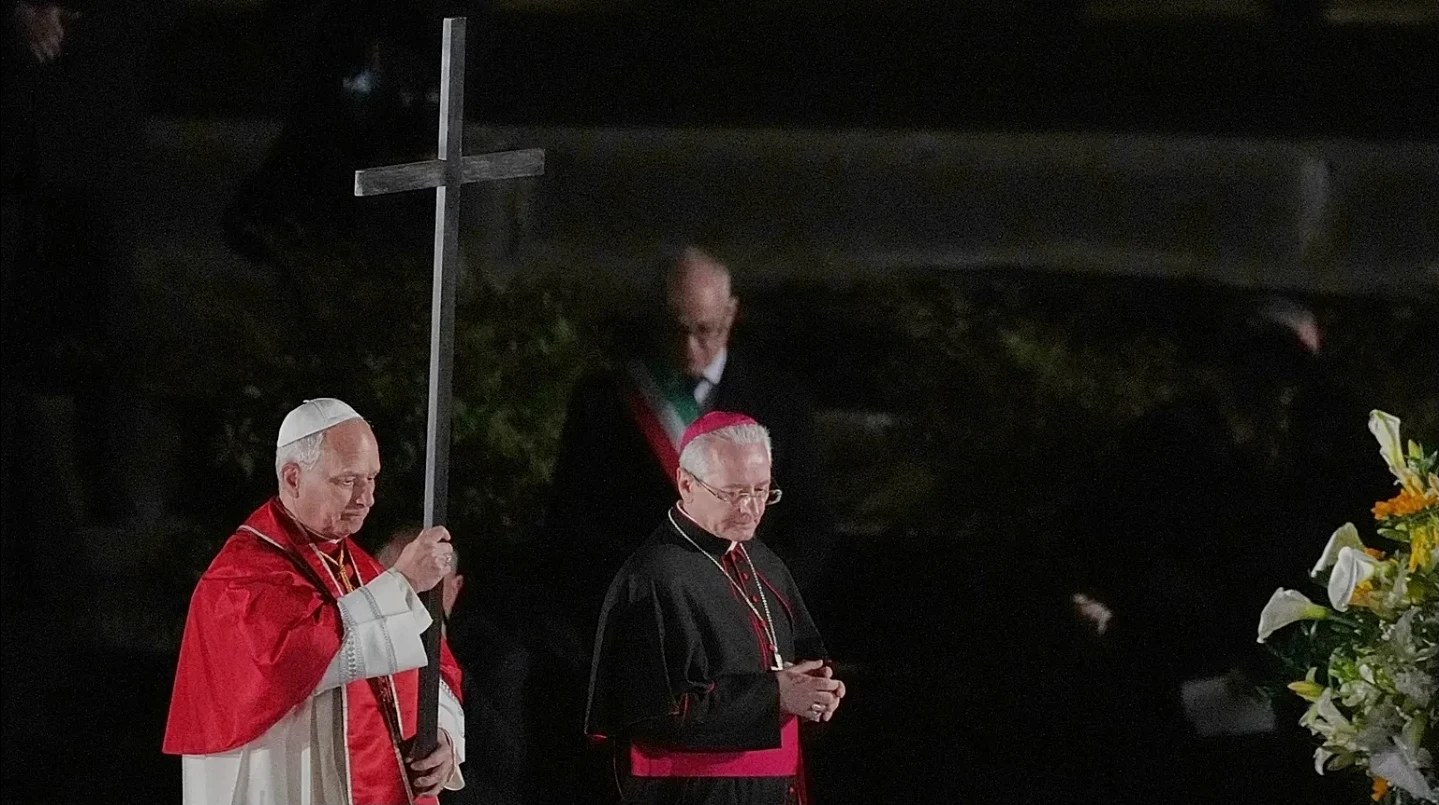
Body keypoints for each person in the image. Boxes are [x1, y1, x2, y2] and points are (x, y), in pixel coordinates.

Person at [163, 398, 467, 805]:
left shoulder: (360, 568)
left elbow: (436, 667)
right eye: (347, 481)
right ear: (293, 478)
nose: (366, 498)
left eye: (372, 479)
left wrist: (442, 736)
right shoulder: (239, 578)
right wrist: (404, 584)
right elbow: (302, 660)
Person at [546, 246, 833, 606]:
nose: (689, 349)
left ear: (730, 314)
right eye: (676, 329)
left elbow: (810, 522)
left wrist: (760, 593)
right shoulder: (606, 401)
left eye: (705, 330)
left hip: (750, 611)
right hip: (643, 611)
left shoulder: (780, 402)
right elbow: (575, 519)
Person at [585, 411, 845, 805]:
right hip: (692, 793)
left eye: (761, 490)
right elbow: (655, 713)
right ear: (687, 484)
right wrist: (776, 695)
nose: (751, 508)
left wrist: (819, 689)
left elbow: (801, 653)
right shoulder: (654, 578)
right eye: (734, 493)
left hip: (775, 787)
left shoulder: (764, 561)